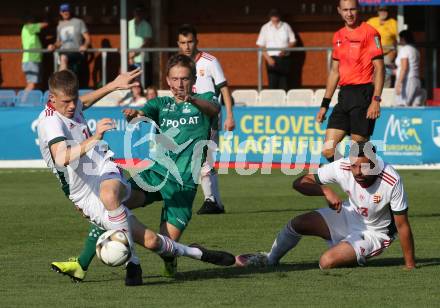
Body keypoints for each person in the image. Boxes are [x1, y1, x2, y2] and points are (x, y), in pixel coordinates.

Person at [39, 66, 235, 286]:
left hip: (104, 169)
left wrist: (113, 85)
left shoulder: (68, 106)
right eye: (67, 102)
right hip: (82, 192)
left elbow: (84, 101)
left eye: (74, 99)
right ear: (52, 99)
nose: (73, 106)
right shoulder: (50, 122)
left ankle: (132, 263)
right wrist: (95, 137)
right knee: (152, 241)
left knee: (110, 195)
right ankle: (197, 253)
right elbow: (61, 157)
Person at [236, 142, 416, 270]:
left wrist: (410, 265)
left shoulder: (391, 179)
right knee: (298, 224)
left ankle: (351, 251)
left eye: (364, 167)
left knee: (326, 262)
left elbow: (402, 225)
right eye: (354, 166)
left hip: (375, 232)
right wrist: (324, 191)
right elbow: (299, 183)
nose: (358, 172)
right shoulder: (342, 166)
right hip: (348, 214)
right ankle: (270, 259)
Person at [177, 24, 235, 214]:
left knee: (204, 159)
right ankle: (215, 202)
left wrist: (229, 116)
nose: (187, 46)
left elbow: (224, 88)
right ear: (178, 44)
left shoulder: (209, 62)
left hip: (208, 117)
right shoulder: (179, 67)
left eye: (190, 42)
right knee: (198, 160)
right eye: (183, 42)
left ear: (196, 42)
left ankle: (211, 201)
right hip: (189, 120)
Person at [316, 0, 384, 163]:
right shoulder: (338, 35)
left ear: (358, 9)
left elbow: (380, 69)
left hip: (364, 95)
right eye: (345, 10)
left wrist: (376, 100)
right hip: (344, 96)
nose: (349, 13)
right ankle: (348, 175)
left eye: (352, 9)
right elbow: (334, 72)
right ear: (339, 11)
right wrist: (324, 105)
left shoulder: (370, 32)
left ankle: (375, 179)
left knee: (358, 154)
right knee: (327, 151)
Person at [256, 9, 296, 90]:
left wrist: (286, 50)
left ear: (279, 16)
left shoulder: (286, 26)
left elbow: (293, 41)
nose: (274, 17)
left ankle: (284, 102)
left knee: (284, 84)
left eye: (276, 15)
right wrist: (268, 58)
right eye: (272, 16)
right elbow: (260, 45)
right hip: (271, 59)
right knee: (272, 84)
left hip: (285, 58)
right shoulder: (265, 28)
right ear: (270, 17)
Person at [48, 3, 90, 72]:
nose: (65, 12)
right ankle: (63, 80)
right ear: (60, 12)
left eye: (67, 10)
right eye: (63, 11)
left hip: (76, 53)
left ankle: (62, 81)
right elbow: (59, 42)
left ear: (70, 11)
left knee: (63, 58)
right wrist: (53, 46)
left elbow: (87, 38)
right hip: (63, 53)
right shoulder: (60, 25)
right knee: (63, 58)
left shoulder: (79, 22)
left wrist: (85, 45)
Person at [367, 6, 398, 88]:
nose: (383, 13)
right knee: (373, 73)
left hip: (388, 53)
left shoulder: (393, 22)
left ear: (388, 12)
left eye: (385, 11)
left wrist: (394, 51)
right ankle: (373, 91)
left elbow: (398, 39)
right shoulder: (371, 21)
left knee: (386, 73)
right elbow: (364, 35)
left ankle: (385, 91)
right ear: (378, 12)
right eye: (381, 10)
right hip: (374, 53)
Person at [394, 30, 422, 107]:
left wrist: (399, 83)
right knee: (415, 106)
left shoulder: (405, 49)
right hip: (416, 80)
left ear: (403, 38)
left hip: (407, 81)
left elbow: (404, 67)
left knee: (402, 105)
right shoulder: (415, 50)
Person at [21, 14, 48, 91]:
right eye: (34, 21)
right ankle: (22, 101)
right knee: (31, 85)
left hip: (34, 60)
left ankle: (32, 101)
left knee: (36, 85)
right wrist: (47, 16)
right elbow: (45, 24)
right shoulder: (28, 27)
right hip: (31, 60)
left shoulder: (28, 29)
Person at [128, 5, 153, 86]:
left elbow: (147, 42)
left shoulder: (146, 25)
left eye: (140, 12)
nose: (138, 14)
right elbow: (124, 40)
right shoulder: (128, 24)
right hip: (129, 59)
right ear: (133, 13)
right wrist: (128, 56)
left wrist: (134, 54)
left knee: (142, 83)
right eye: (136, 12)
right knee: (130, 82)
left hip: (142, 59)